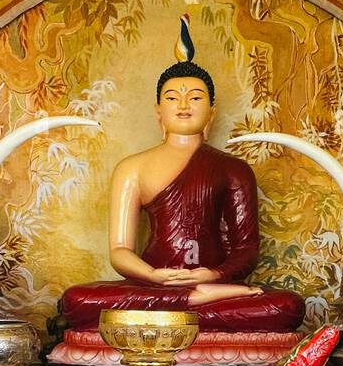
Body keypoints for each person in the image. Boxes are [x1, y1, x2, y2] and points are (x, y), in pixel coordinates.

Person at [57, 19, 305, 343]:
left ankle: (202, 296)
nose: (184, 105)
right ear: (158, 111)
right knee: (77, 302)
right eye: (173, 98)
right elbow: (119, 250)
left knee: (286, 307)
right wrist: (152, 276)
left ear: (212, 112)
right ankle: (196, 300)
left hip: (213, 284)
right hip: (151, 286)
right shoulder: (132, 168)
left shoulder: (233, 168)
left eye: (196, 98)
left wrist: (213, 276)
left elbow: (246, 250)